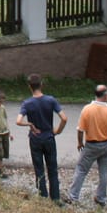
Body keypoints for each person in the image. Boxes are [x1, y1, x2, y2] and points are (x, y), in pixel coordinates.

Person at [66, 84, 107, 207]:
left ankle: (73, 196)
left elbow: (80, 129)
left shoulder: (87, 109)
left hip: (91, 145)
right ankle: (101, 198)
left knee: (81, 170)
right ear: (106, 95)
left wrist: (80, 143)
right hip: (105, 144)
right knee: (104, 173)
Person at [16, 74, 67, 204]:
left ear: (29, 87)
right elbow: (64, 118)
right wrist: (57, 131)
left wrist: (30, 124)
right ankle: (55, 197)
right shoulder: (50, 100)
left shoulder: (27, 103)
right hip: (49, 137)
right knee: (52, 168)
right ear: (41, 84)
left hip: (35, 139)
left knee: (39, 168)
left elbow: (18, 121)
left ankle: (42, 196)